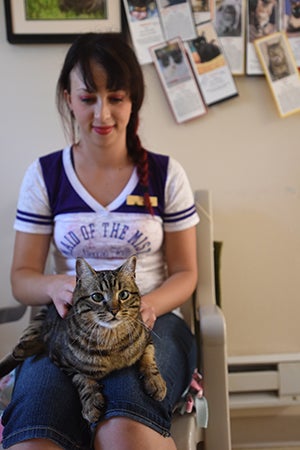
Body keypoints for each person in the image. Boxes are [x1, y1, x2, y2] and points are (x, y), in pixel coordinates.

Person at [1, 33, 199, 450]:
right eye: (88, 97)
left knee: (124, 432)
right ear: (68, 98)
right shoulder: (46, 175)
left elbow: (186, 272)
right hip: (67, 329)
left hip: (153, 323)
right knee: (32, 439)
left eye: (117, 97)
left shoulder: (166, 175)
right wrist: (54, 285)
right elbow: (22, 278)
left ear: (134, 101)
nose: (102, 113)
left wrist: (148, 306)